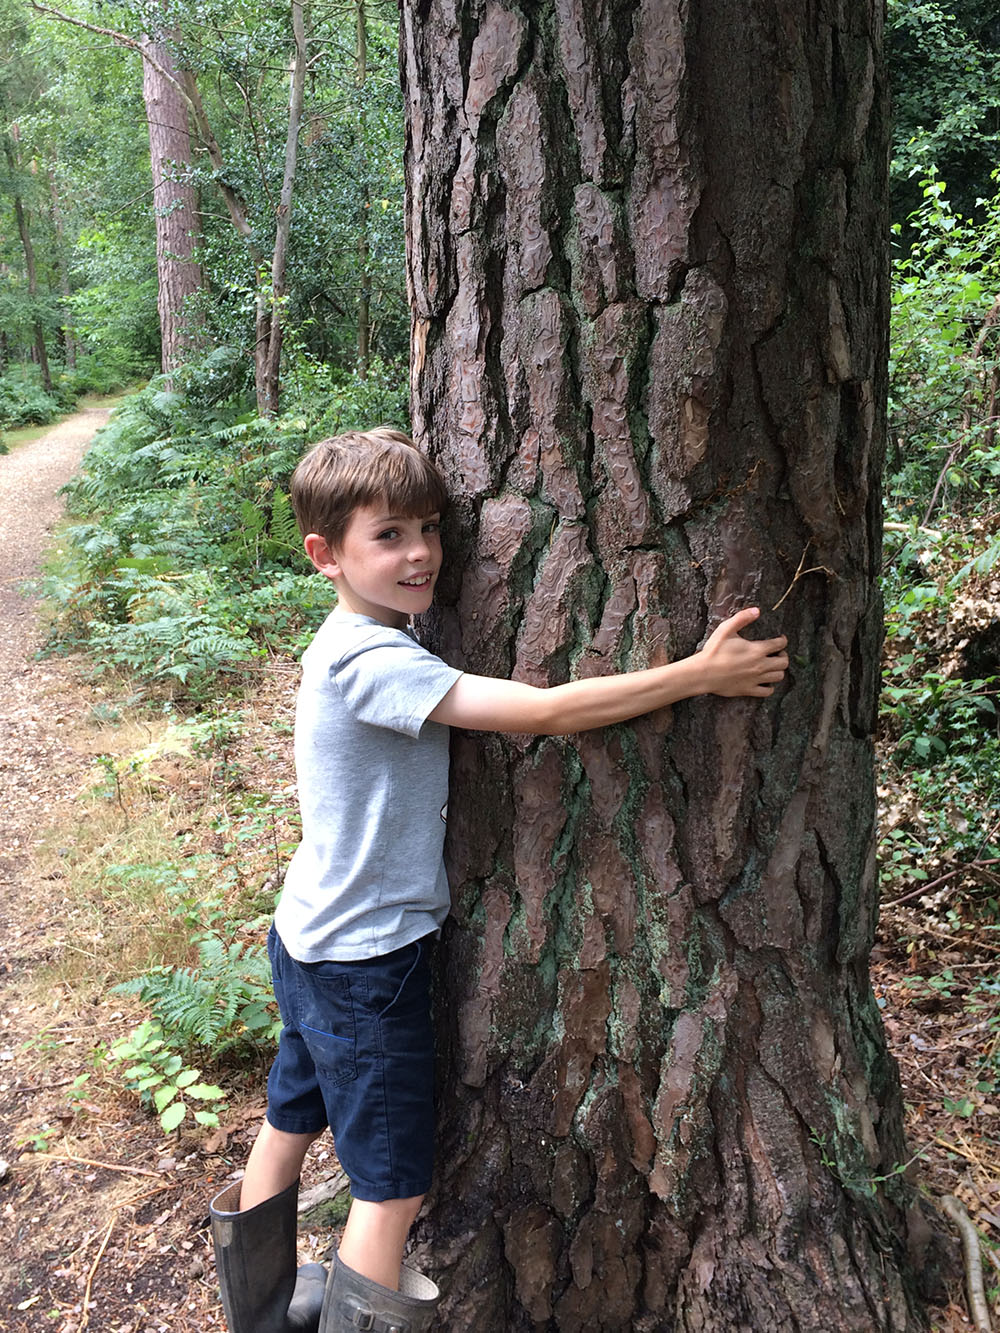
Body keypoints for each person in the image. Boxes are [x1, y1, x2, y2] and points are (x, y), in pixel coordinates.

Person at [209, 428, 789, 1333]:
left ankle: (263, 1314)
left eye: (430, 529)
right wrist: (698, 673)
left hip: (310, 937)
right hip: (365, 960)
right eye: (389, 535)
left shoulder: (349, 641)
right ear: (325, 554)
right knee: (391, 1190)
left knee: (291, 1113)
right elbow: (547, 713)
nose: (421, 554)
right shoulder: (374, 659)